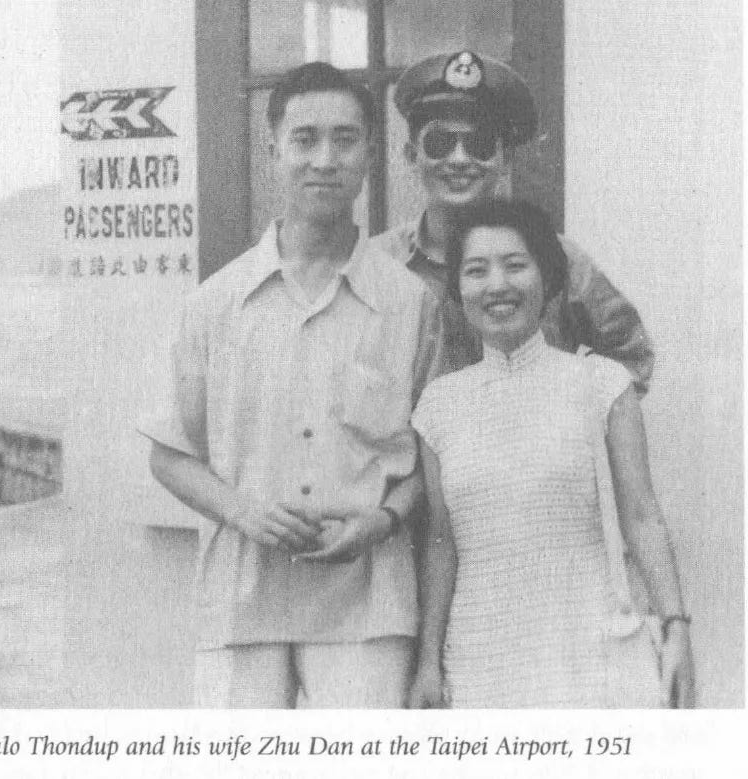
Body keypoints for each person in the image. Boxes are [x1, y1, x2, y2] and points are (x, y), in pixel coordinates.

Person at [138, 62, 443, 708]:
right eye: (305, 139)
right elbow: (168, 455)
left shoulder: (410, 303)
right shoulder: (214, 304)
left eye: (345, 139)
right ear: (272, 148)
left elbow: (432, 459)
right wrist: (242, 510)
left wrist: (382, 519)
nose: (325, 160)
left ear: (370, 154)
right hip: (241, 600)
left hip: (368, 603)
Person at [408, 199, 695, 708]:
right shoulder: (439, 405)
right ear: (458, 288)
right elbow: (441, 541)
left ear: (548, 276)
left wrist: (677, 629)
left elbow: (642, 516)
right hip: (479, 655)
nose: (497, 285)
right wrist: (428, 661)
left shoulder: (601, 383)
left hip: (588, 649)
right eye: (476, 270)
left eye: (516, 264)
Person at [370, 49, 654, 387]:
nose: (459, 159)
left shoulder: (555, 258)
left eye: (479, 144)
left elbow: (631, 354)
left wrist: (571, 404)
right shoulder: (376, 265)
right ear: (411, 155)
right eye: (439, 143)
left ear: (505, 160)